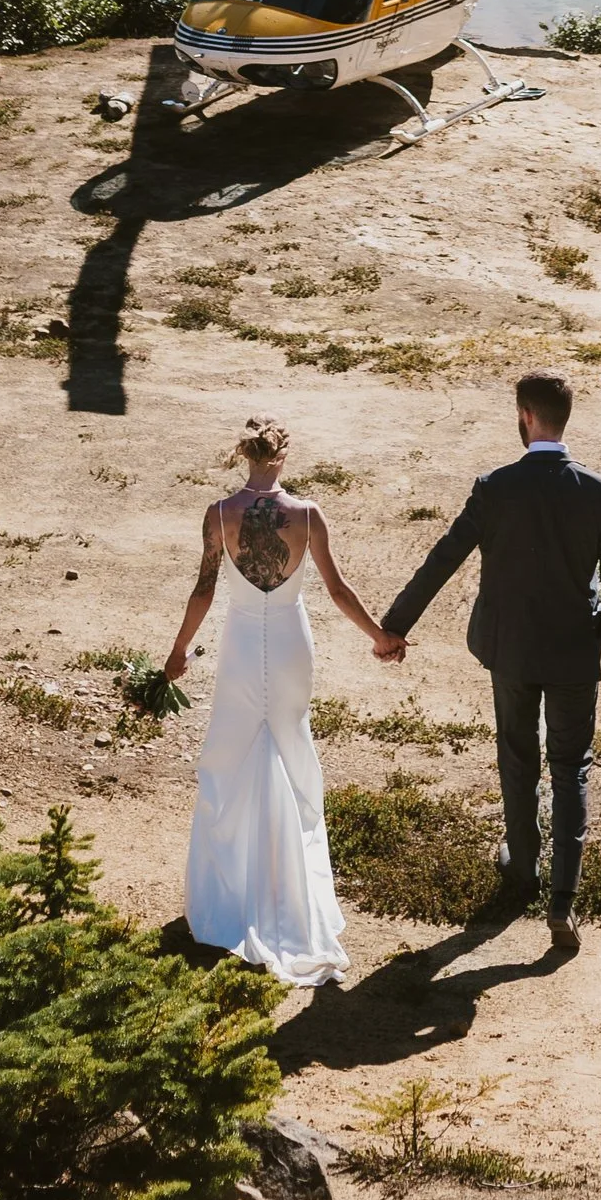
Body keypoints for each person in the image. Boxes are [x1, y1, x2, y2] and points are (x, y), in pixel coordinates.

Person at [378, 371, 601, 957]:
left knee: (518, 755)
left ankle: (522, 866)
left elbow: (443, 558)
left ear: (524, 416)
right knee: (571, 769)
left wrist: (395, 626)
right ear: (563, 420)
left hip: (510, 650)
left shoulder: (495, 487)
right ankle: (563, 901)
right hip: (573, 653)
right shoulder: (598, 491)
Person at [163, 414, 399, 985]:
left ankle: (234, 889)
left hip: (243, 643)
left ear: (245, 455)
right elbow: (338, 589)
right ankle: (288, 890)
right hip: (292, 643)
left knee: (230, 755)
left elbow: (204, 588)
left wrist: (177, 651)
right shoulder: (308, 515)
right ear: (284, 457)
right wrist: (380, 637)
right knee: (291, 753)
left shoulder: (220, 515)